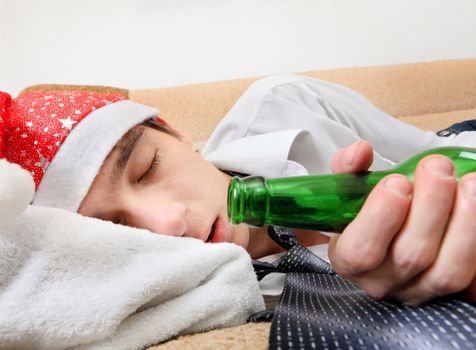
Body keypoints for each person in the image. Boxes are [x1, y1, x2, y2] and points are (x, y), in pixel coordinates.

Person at [1, 75, 475, 306]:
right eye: (111, 227)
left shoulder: (285, 102)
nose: (168, 224)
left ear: (176, 133)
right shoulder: (191, 298)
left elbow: (436, 150)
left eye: (147, 169)